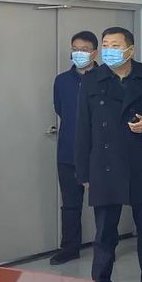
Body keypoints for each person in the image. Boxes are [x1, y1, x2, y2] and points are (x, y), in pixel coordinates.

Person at [75, 27, 142, 282]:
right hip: (105, 164)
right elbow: (83, 128)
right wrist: (84, 172)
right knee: (105, 233)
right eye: (106, 45)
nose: (109, 50)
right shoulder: (92, 79)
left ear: (130, 49)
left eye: (115, 45)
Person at [51, 31, 99, 265]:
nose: (79, 53)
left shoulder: (106, 78)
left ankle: (105, 246)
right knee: (70, 204)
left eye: (84, 49)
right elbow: (61, 109)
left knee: (103, 204)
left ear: (94, 52)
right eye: (75, 49)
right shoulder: (62, 80)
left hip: (98, 153)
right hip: (68, 152)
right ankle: (70, 247)